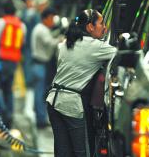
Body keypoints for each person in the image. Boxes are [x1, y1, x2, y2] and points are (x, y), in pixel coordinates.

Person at [46, 9, 116, 157]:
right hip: (72, 105)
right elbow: (120, 54)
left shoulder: (67, 43)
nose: (105, 27)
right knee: (81, 152)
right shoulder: (96, 46)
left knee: (63, 152)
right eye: (101, 23)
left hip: (53, 101)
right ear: (90, 27)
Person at [0, 0, 27, 128]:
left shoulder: (1, 22)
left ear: (3, 10)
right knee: (8, 90)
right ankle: (9, 117)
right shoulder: (22, 25)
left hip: (0, 61)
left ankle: (3, 112)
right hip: (13, 62)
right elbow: (22, 43)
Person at [31, 7, 63, 128]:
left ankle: (40, 117)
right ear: (45, 18)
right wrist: (61, 39)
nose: (52, 21)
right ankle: (40, 120)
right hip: (40, 65)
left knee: (40, 93)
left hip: (38, 65)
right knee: (40, 94)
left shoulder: (40, 28)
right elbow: (49, 42)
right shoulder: (42, 30)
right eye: (51, 18)